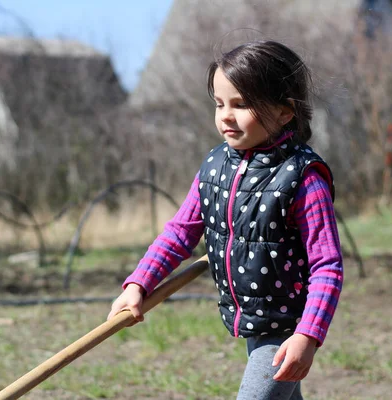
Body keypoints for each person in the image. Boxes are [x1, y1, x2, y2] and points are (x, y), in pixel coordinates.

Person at [107, 40, 343, 400]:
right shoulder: (216, 166)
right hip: (253, 320)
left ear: (284, 112)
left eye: (241, 104)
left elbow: (326, 264)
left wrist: (308, 335)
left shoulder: (302, 177)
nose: (225, 116)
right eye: (219, 104)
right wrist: (139, 283)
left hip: (286, 327)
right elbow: (179, 233)